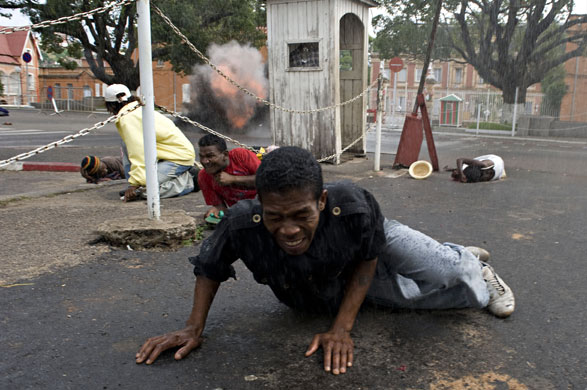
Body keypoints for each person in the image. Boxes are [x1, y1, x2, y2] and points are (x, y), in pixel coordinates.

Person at [136, 146, 515, 375]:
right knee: (465, 299)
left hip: (370, 242)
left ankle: (469, 261)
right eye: (275, 216)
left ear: (321, 201)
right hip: (331, 281)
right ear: (261, 206)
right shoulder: (241, 224)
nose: (287, 229)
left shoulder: (351, 205)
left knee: (449, 271)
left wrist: (342, 329)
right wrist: (193, 328)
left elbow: (368, 257)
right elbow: (209, 268)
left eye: (301, 215)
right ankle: (469, 272)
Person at [105, 84, 198, 201]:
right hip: (167, 156)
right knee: (125, 144)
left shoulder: (129, 118)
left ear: (110, 105)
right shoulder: (137, 109)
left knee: (150, 191)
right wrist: (135, 182)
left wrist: (136, 183)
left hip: (179, 158)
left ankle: (191, 181)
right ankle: (139, 185)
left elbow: (138, 151)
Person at [197, 134, 260, 218]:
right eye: (201, 156)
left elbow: (267, 179)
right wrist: (216, 212)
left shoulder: (241, 156)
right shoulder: (203, 176)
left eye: (210, 156)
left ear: (225, 155)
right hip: (240, 213)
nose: (205, 161)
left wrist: (233, 179)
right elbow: (220, 207)